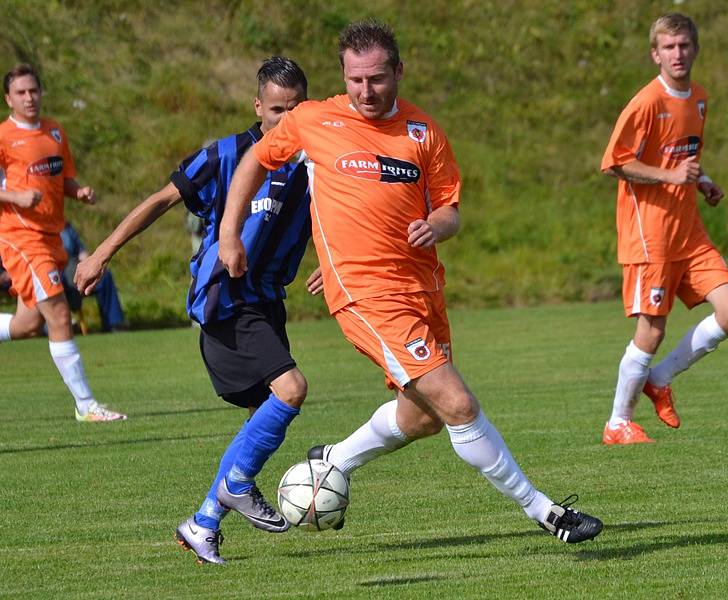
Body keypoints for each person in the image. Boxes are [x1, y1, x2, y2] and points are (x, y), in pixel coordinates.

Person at [219, 20, 603, 544]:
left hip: (421, 288)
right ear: (343, 76)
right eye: (355, 80)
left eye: (377, 79)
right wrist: (229, 232)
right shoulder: (312, 121)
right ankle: (547, 512)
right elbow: (254, 163)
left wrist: (435, 224)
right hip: (364, 292)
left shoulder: (423, 132)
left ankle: (333, 460)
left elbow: (450, 209)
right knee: (458, 405)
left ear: (399, 71)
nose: (365, 91)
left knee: (422, 418)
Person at [75, 57, 316, 565]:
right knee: (291, 389)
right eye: (277, 109)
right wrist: (100, 253)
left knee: (261, 419)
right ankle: (235, 487)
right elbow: (161, 200)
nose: (287, 119)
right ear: (258, 107)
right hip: (227, 303)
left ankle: (203, 522)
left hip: (268, 305)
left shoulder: (316, 164)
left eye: (297, 108)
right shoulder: (229, 155)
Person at [599, 13, 728, 445]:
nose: (677, 54)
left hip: (690, 231)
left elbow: (682, 156)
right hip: (651, 235)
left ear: (695, 50)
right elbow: (615, 163)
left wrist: (701, 181)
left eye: (684, 45)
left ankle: (659, 379)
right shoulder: (646, 102)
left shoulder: (699, 98)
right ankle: (618, 423)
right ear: (655, 54)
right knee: (652, 330)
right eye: (668, 47)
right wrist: (670, 177)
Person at [0, 63, 126, 422]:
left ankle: (86, 405)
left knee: (28, 325)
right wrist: (14, 198)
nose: (29, 98)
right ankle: (87, 407)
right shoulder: (3, 136)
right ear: (8, 98)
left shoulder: (54, 131)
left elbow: (61, 177)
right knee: (58, 313)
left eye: (33, 90)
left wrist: (79, 191)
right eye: (21, 92)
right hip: (20, 239)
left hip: (53, 236)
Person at [61, 222, 126, 332]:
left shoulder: (66, 227)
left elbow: (82, 253)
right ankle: (62, 326)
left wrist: (90, 267)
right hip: (56, 272)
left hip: (74, 268)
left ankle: (114, 324)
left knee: (104, 277)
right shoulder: (37, 226)